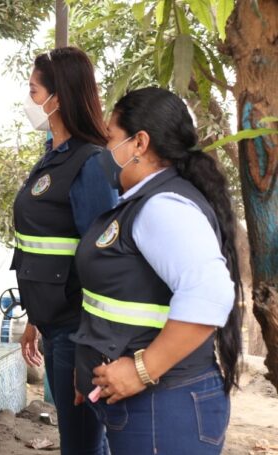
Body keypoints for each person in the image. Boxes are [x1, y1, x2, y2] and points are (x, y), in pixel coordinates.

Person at [72, 87, 243, 454]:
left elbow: (210, 294)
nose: (104, 151)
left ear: (139, 143)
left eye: (110, 138)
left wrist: (141, 370)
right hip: (148, 409)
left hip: (164, 407)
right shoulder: (140, 202)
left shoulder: (162, 206)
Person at [13, 46, 115, 454]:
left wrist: (90, 352)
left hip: (79, 331)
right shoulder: (52, 158)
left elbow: (102, 260)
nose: (29, 101)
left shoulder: (90, 164)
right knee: (76, 441)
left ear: (59, 97)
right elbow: (42, 249)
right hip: (55, 325)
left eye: (34, 92)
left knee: (82, 444)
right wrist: (35, 319)